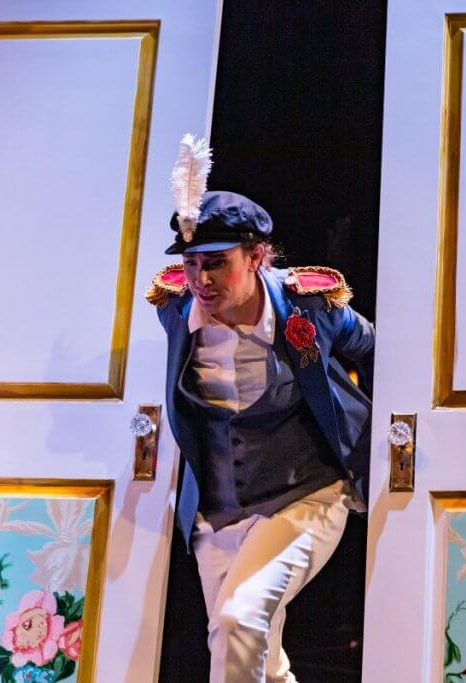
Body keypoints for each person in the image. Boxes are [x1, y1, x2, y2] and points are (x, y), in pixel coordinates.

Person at [147, 139, 374, 683]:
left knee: (239, 619)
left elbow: (376, 350)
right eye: (192, 264)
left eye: (216, 264)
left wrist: (389, 437)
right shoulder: (175, 308)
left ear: (255, 257)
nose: (201, 280)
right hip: (220, 508)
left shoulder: (309, 307)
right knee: (256, 655)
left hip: (304, 495)